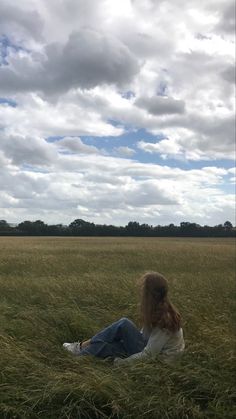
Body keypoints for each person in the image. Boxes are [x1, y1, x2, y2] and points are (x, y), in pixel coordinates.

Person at [63, 272, 185, 365]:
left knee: (124, 323)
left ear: (150, 295)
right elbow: (145, 337)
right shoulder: (157, 310)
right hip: (149, 352)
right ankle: (77, 359)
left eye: (143, 290)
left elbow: (149, 355)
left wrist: (121, 363)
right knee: (107, 346)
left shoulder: (165, 320)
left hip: (158, 363)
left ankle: (79, 348)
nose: (141, 293)